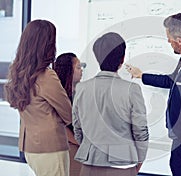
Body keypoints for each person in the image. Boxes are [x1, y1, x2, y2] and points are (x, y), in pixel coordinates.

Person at [127, 13, 181, 176]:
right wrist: (142, 75)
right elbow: (172, 81)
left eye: (169, 38)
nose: (168, 42)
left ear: (179, 40)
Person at [72, 32, 149, 176]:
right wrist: (140, 159)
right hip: (122, 165)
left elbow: (77, 127)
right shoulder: (132, 89)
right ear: (122, 59)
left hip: (89, 164)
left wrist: (89, 147)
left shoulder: (82, 88)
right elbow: (140, 130)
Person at [4, 20, 72, 176]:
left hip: (30, 147)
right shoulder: (46, 76)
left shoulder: (19, 73)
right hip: (51, 147)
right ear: (47, 44)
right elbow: (68, 113)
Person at [54, 52, 83, 176]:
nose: (81, 70)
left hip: (81, 144)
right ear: (68, 71)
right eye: (78, 67)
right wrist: (79, 143)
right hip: (70, 146)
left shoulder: (81, 91)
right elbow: (61, 126)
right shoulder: (60, 95)